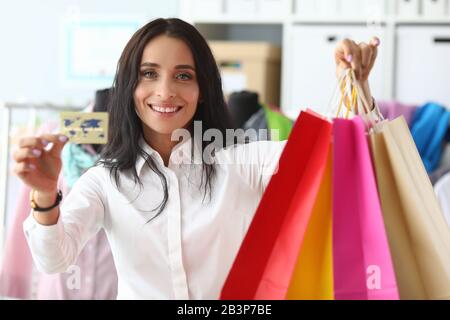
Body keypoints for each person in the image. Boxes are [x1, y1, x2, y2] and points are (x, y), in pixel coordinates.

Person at [13, 18, 379, 299]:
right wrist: (45, 195)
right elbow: (54, 259)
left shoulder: (242, 162)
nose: (166, 91)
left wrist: (355, 88)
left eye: (183, 76)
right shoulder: (105, 180)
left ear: (202, 90)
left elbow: (338, 158)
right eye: (149, 74)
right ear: (129, 87)